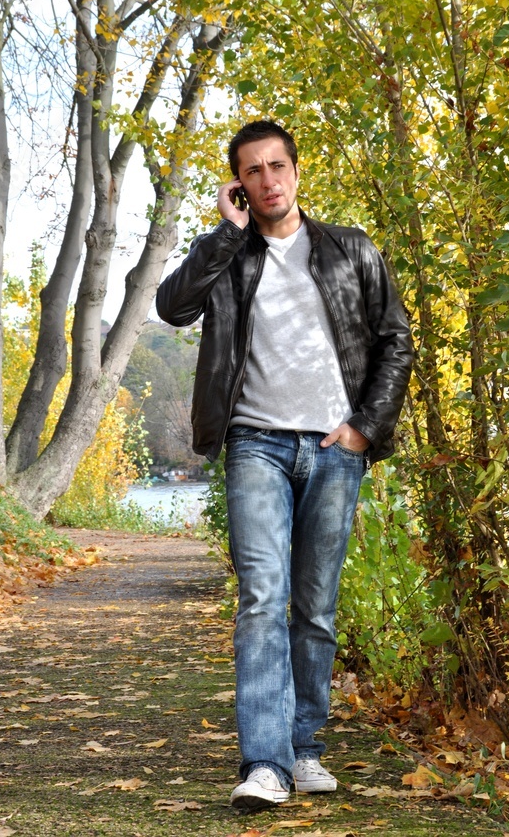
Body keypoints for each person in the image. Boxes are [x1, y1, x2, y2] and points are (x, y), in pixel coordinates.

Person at [156, 120, 413, 810]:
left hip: (333, 451)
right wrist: (221, 235)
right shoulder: (230, 258)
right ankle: (264, 763)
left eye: (278, 167)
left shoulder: (350, 250)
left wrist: (365, 427)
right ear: (240, 184)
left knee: (316, 608)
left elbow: (396, 340)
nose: (269, 180)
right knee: (263, 600)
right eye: (254, 172)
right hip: (255, 446)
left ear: (296, 172)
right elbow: (170, 306)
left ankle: (304, 749)